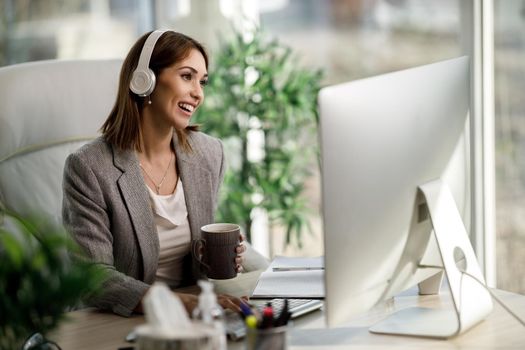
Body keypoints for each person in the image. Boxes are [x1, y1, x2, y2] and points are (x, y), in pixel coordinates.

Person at [62, 30, 266, 317]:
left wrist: (213, 259)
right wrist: (178, 303)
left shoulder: (209, 155)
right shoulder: (90, 168)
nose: (198, 93)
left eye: (202, 81)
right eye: (187, 76)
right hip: (121, 319)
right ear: (144, 80)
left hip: (196, 314)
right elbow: (92, 277)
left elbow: (195, 264)